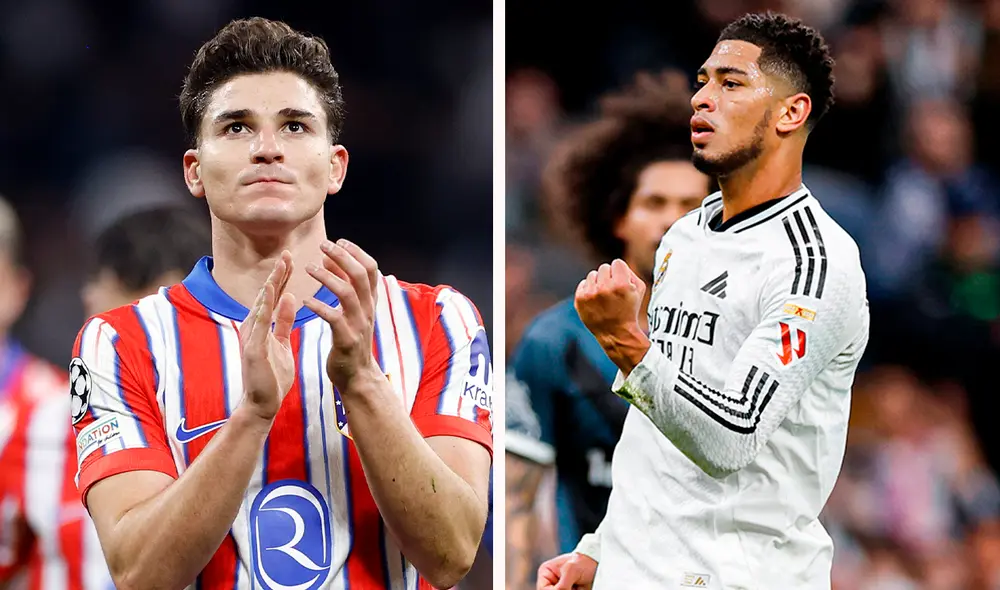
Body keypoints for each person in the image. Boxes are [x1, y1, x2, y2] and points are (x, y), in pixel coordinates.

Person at [70, 17, 493, 590]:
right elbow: (140, 573)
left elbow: (451, 553)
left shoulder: (439, 320)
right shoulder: (118, 343)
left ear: (335, 166)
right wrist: (250, 418)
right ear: (195, 171)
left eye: (295, 126)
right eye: (237, 128)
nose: (267, 149)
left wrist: (363, 381)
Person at [540, 12, 870, 589]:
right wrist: (603, 548)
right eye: (702, 80)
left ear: (791, 112)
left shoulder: (816, 264)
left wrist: (627, 343)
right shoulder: (685, 236)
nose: (702, 99)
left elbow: (731, 436)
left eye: (731, 83)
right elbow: (653, 431)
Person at [504, 70, 711, 589]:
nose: (671, 220)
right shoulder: (554, 342)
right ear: (620, 218)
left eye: (690, 206)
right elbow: (516, 500)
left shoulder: (738, 333)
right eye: (655, 203)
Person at [0, 204, 212, 590]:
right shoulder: (32, 424)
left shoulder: (235, 424)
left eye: (100, 280)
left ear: (159, 293)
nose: (87, 296)